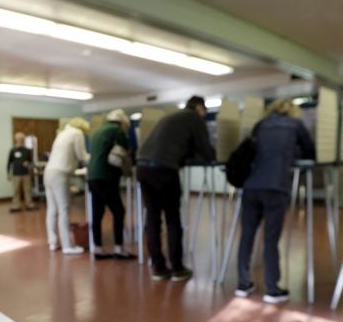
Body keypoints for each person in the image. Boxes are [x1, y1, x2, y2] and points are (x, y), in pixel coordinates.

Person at [235, 99, 315, 304]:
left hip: (251, 186)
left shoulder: (261, 124)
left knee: (247, 235)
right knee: (270, 239)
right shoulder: (296, 125)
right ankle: (272, 289)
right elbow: (310, 152)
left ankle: (243, 284)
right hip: (276, 186)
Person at [137, 96, 216, 281]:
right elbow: (205, 150)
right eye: (204, 112)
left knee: (153, 218)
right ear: (199, 107)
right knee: (172, 218)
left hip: (142, 167)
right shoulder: (194, 118)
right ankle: (177, 269)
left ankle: (158, 268)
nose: (204, 116)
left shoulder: (170, 117)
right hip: (164, 169)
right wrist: (212, 154)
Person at [87, 109, 136, 260]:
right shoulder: (116, 130)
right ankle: (119, 249)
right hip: (106, 176)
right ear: (122, 122)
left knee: (97, 213)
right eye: (126, 126)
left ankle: (98, 249)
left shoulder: (97, 131)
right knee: (119, 211)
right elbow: (125, 150)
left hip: (92, 176)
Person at [44, 118, 90, 255]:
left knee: (52, 209)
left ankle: (53, 242)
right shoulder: (77, 133)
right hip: (60, 174)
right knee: (64, 209)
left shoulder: (62, 133)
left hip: (49, 172)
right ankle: (67, 246)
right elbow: (82, 156)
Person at [7, 132, 36, 212]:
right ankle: (16, 205)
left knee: (27, 190)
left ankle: (29, 204)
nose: (21, 141)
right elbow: (9, 163)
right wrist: (8, 174)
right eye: (19, 139)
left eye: (22, 139)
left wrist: (28, 164)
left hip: (26, 174)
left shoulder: (26, 150)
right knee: (16, 191)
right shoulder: (13, 150)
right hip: (16, 174)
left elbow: (31, 161)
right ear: (16, 140)